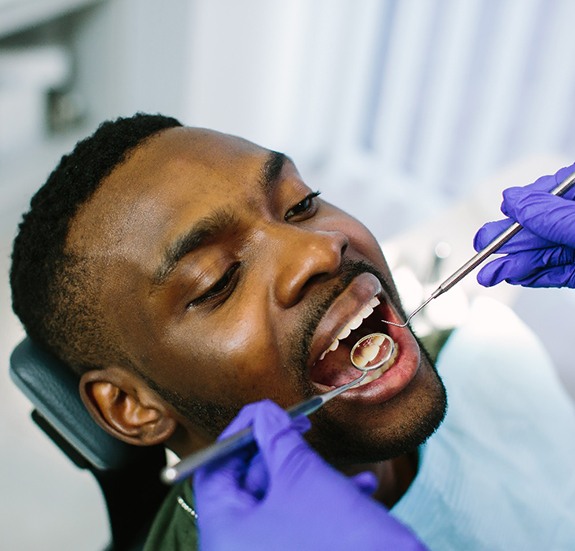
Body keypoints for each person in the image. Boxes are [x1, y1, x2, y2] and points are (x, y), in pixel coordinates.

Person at [9, 113, 575, 550]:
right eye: (216, 281)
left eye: (301, 204)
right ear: (132, 405)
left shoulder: (491, 357)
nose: (320, 249)